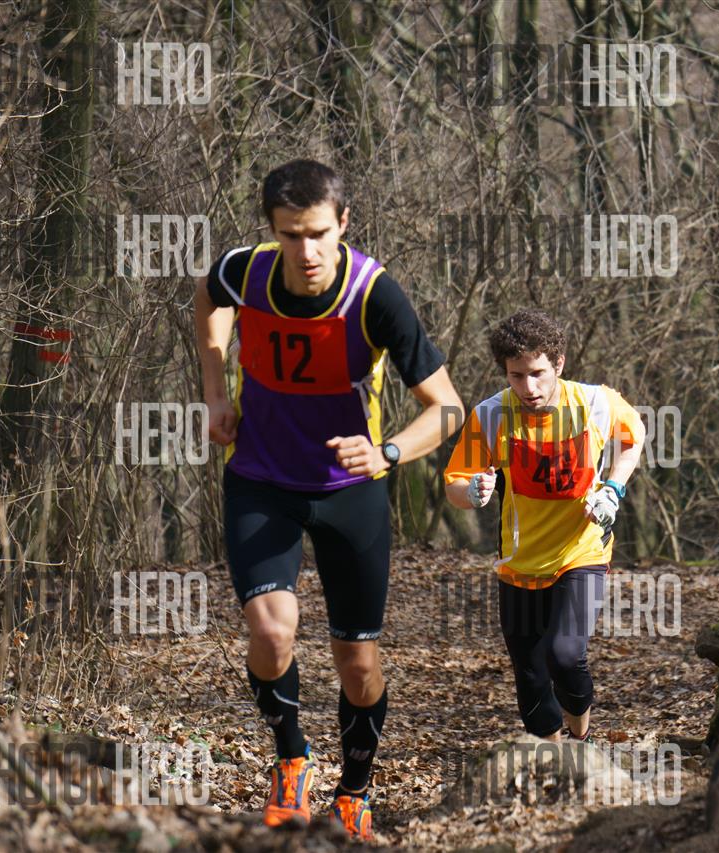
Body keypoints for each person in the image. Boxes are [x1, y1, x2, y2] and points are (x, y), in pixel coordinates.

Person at [194, 159, 462, 839]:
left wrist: (389, 452)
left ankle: (355, 790)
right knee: (270, 632)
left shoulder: (375, 295)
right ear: (272, 230)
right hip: (261, 479)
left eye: (317, 233)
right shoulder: (245, 271)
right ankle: (291, 758)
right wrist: (216, 391)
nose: (306, 251)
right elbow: (208, 297)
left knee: (358, 663)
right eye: (290, 235)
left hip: (350, 493)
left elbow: (448, 408)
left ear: (343, 222)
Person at [442, 309, 644, 743]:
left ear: (559, 364)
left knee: (565, 655)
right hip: (520, 562)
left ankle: (581, 741)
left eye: (537, 374)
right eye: (516, 376)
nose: (528, 388)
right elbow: (454, 484)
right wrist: (472, 491)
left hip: (581, 551)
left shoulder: (595, 403)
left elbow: (633, 438)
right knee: (530, 673)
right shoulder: (491, 416)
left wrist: (613, 488)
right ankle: (553, 761)